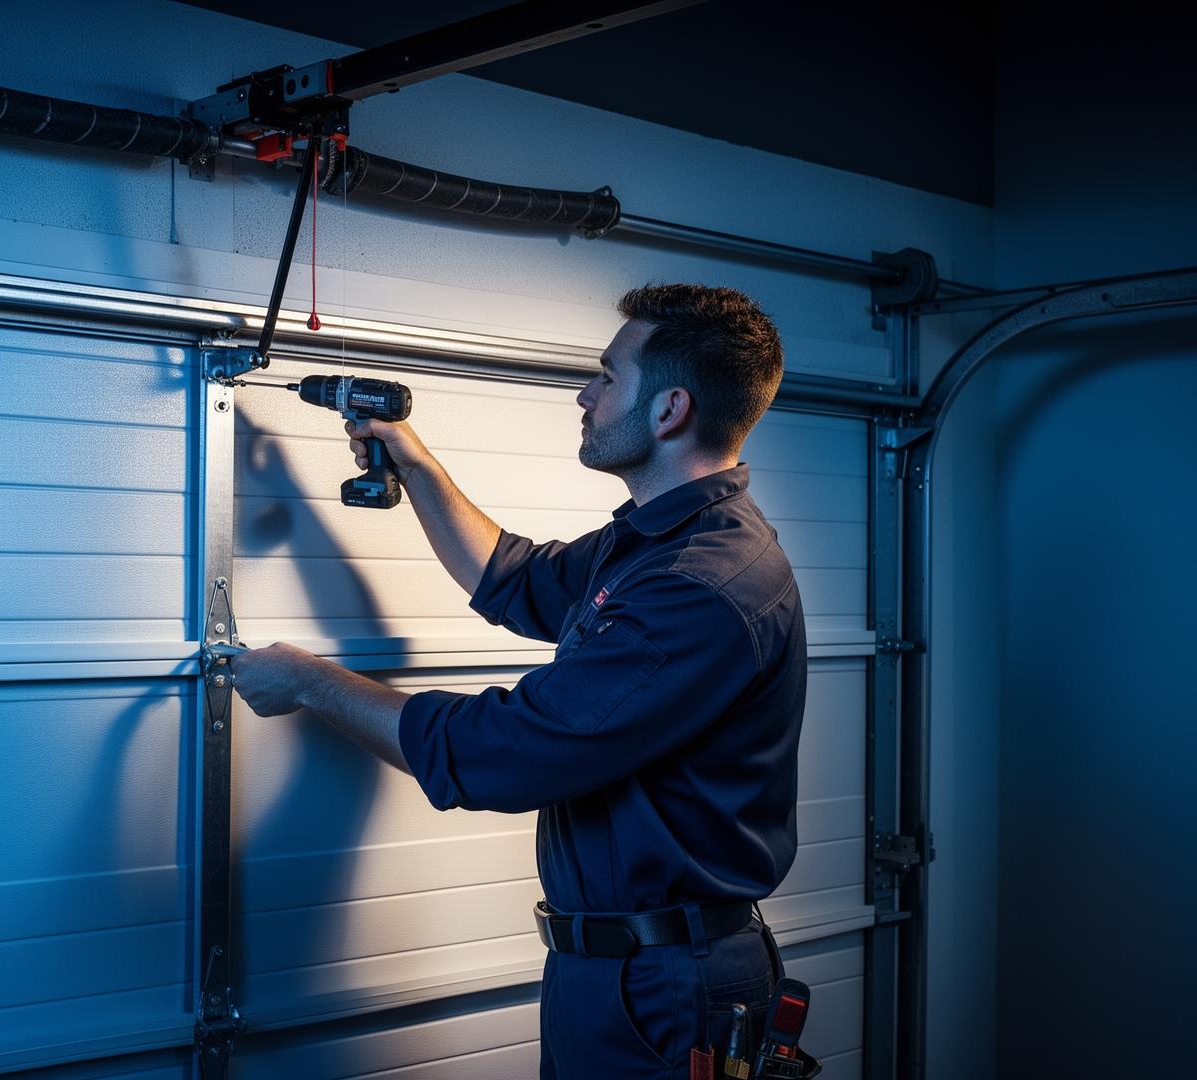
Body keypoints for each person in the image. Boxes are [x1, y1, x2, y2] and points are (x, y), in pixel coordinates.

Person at [231, 283, 806, 1079]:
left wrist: (310, 683)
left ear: (670, 410)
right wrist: (415, 460)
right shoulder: (652, 543)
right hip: (615, 971)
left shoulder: (699, 588)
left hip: (668, 984)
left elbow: (503, 753)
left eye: (607, 377)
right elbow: (514, 579)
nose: (586, 393)